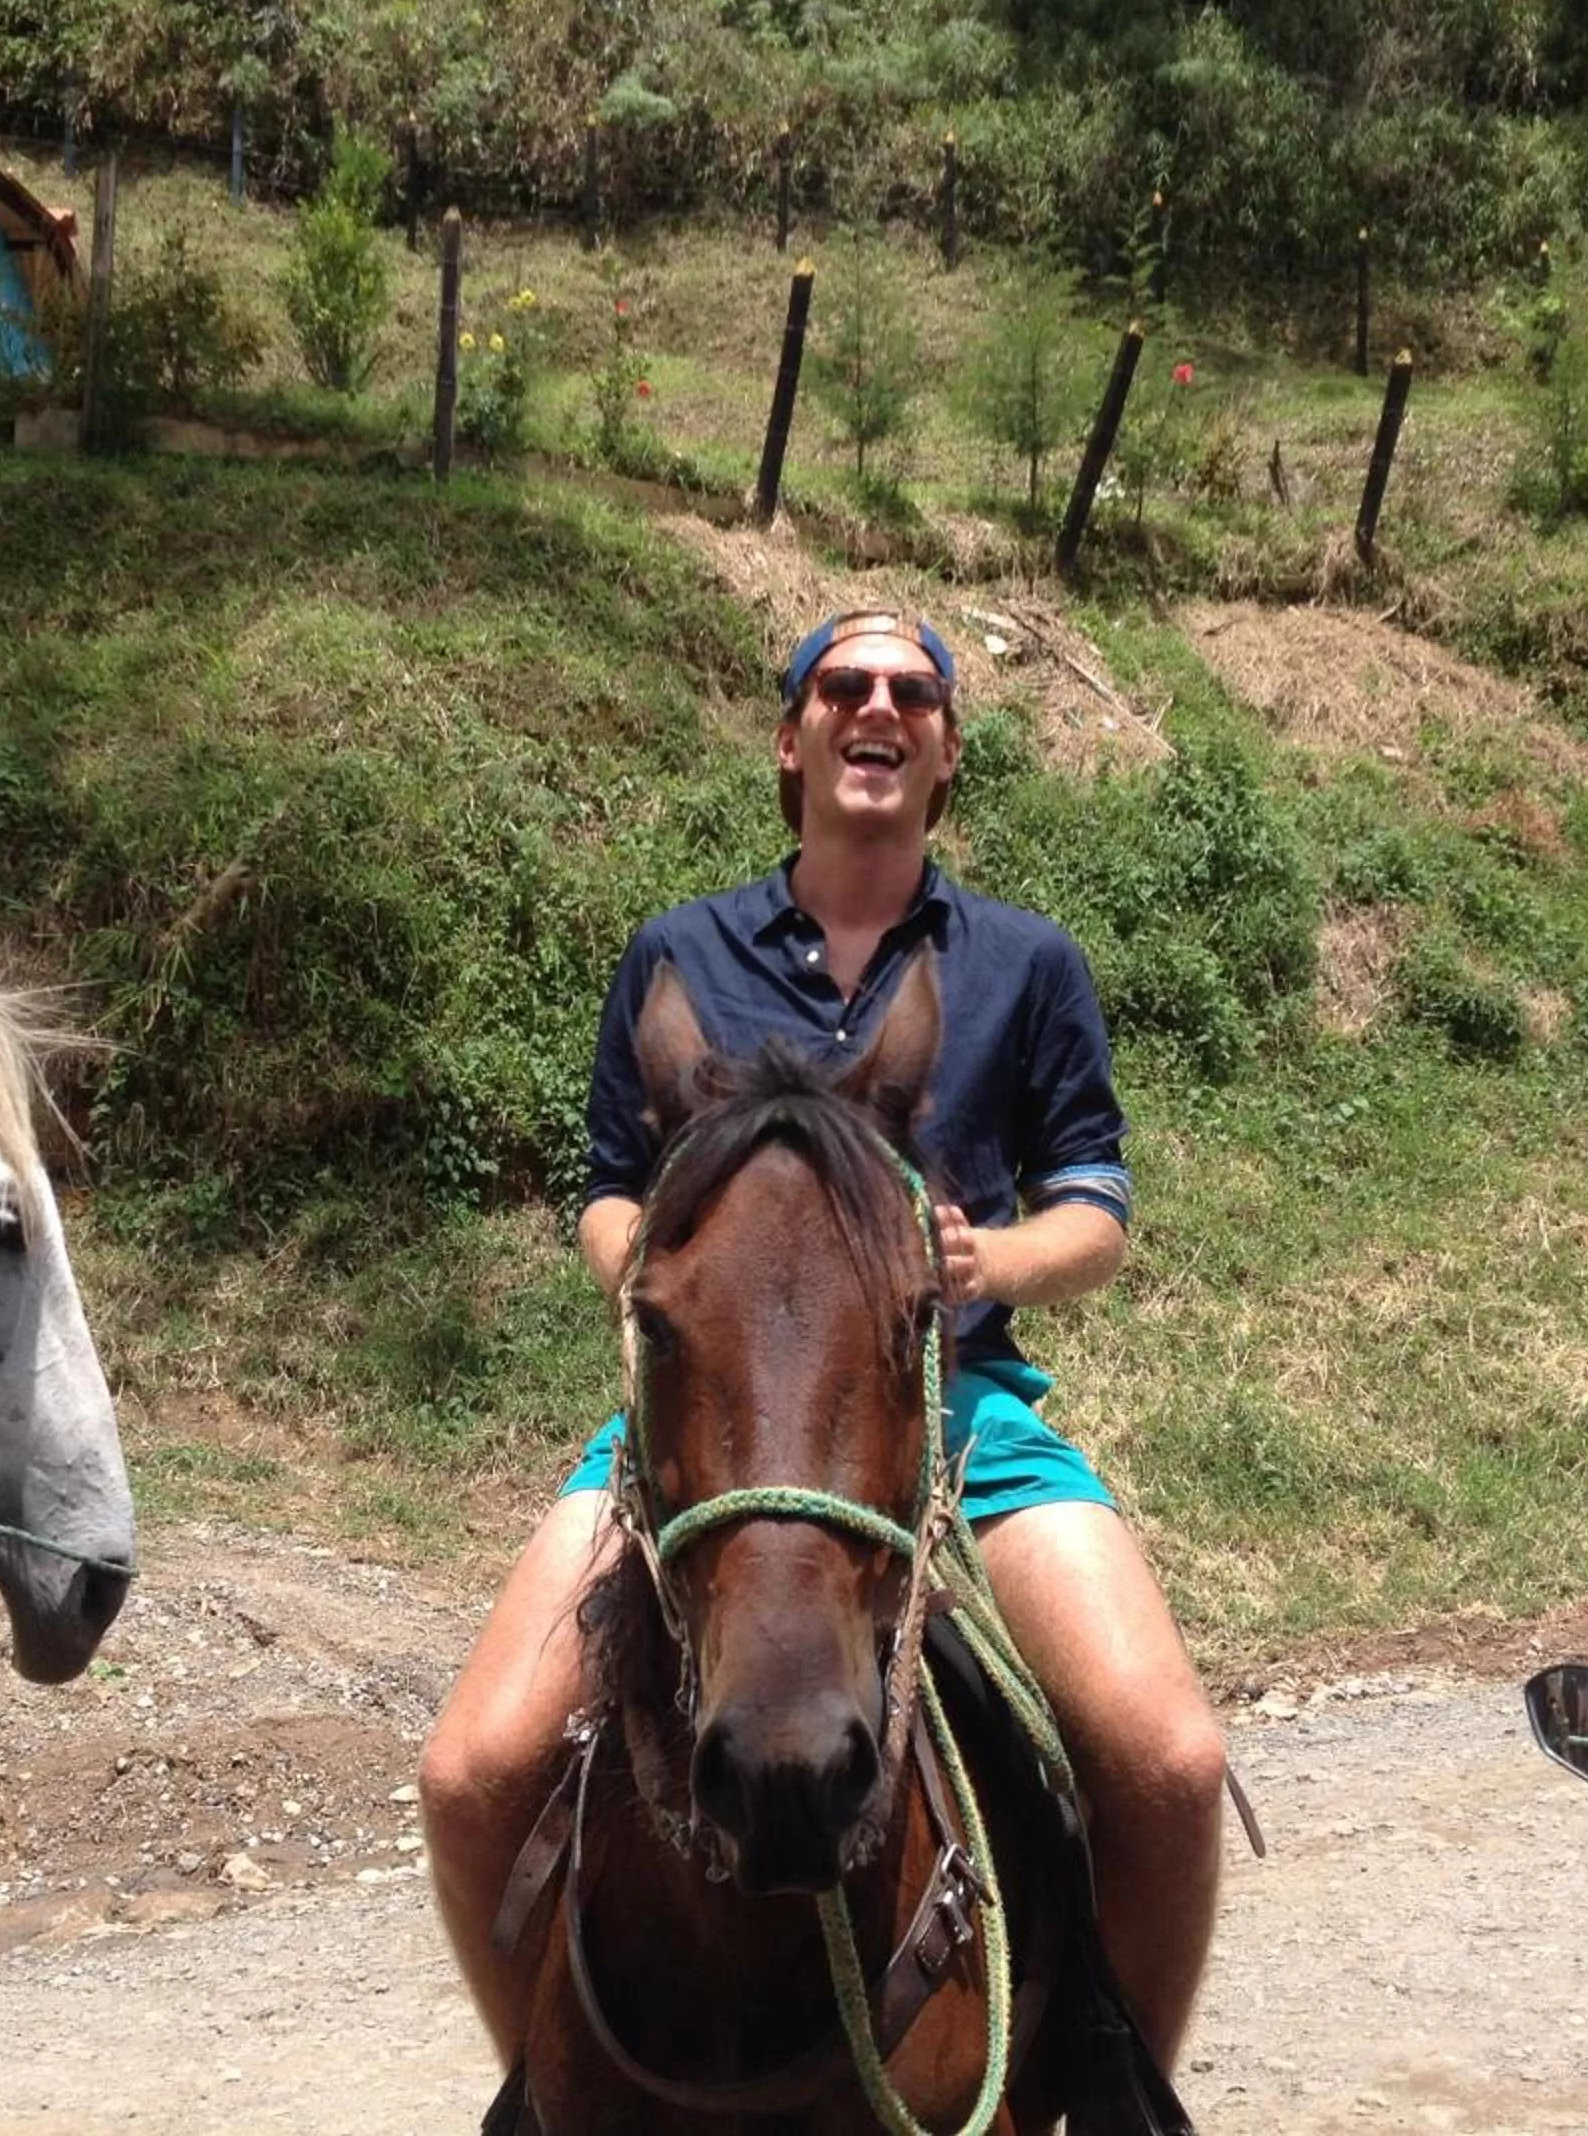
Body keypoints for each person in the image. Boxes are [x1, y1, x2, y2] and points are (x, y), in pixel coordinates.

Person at [419, 605, 1227, 2075]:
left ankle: (1119, 2087)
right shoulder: (681, 952)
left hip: (957, 1404)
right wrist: (657, 1268)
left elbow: (1097, 1208)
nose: (879, 706)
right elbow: (607, 1192)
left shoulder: (1025, 965)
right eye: (841, 685)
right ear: (790, 741)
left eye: (912, 691)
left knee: (1169, 1763)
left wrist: (986, 1258)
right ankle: (540, 2079)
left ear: (946, 753)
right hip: (709, 1421)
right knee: (472, 1771)